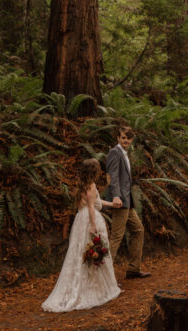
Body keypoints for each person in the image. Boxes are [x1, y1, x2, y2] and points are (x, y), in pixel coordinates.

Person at [41, 158, 121, 313]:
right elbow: (92, 207)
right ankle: (93, 290)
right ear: (94, 172)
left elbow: (96, 201)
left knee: (82, 254)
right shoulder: (91, 186)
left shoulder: (83, 186)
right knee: (92, 252)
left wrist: (111, 204)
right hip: (89, 220)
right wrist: (93, 225)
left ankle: (97, 287)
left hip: (80, 220)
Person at [106, 126, 151, 279]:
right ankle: (104, 276)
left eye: (128, 138)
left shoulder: (124, 154)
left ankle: (133, 269)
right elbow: (113, 176)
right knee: (117, 236)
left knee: (138, 230)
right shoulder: (115, 152)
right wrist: (116, 196)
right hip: (120, 200)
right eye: (123, 138)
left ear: (132, 140)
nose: (126, 140)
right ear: (118, 138)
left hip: (127, 200)